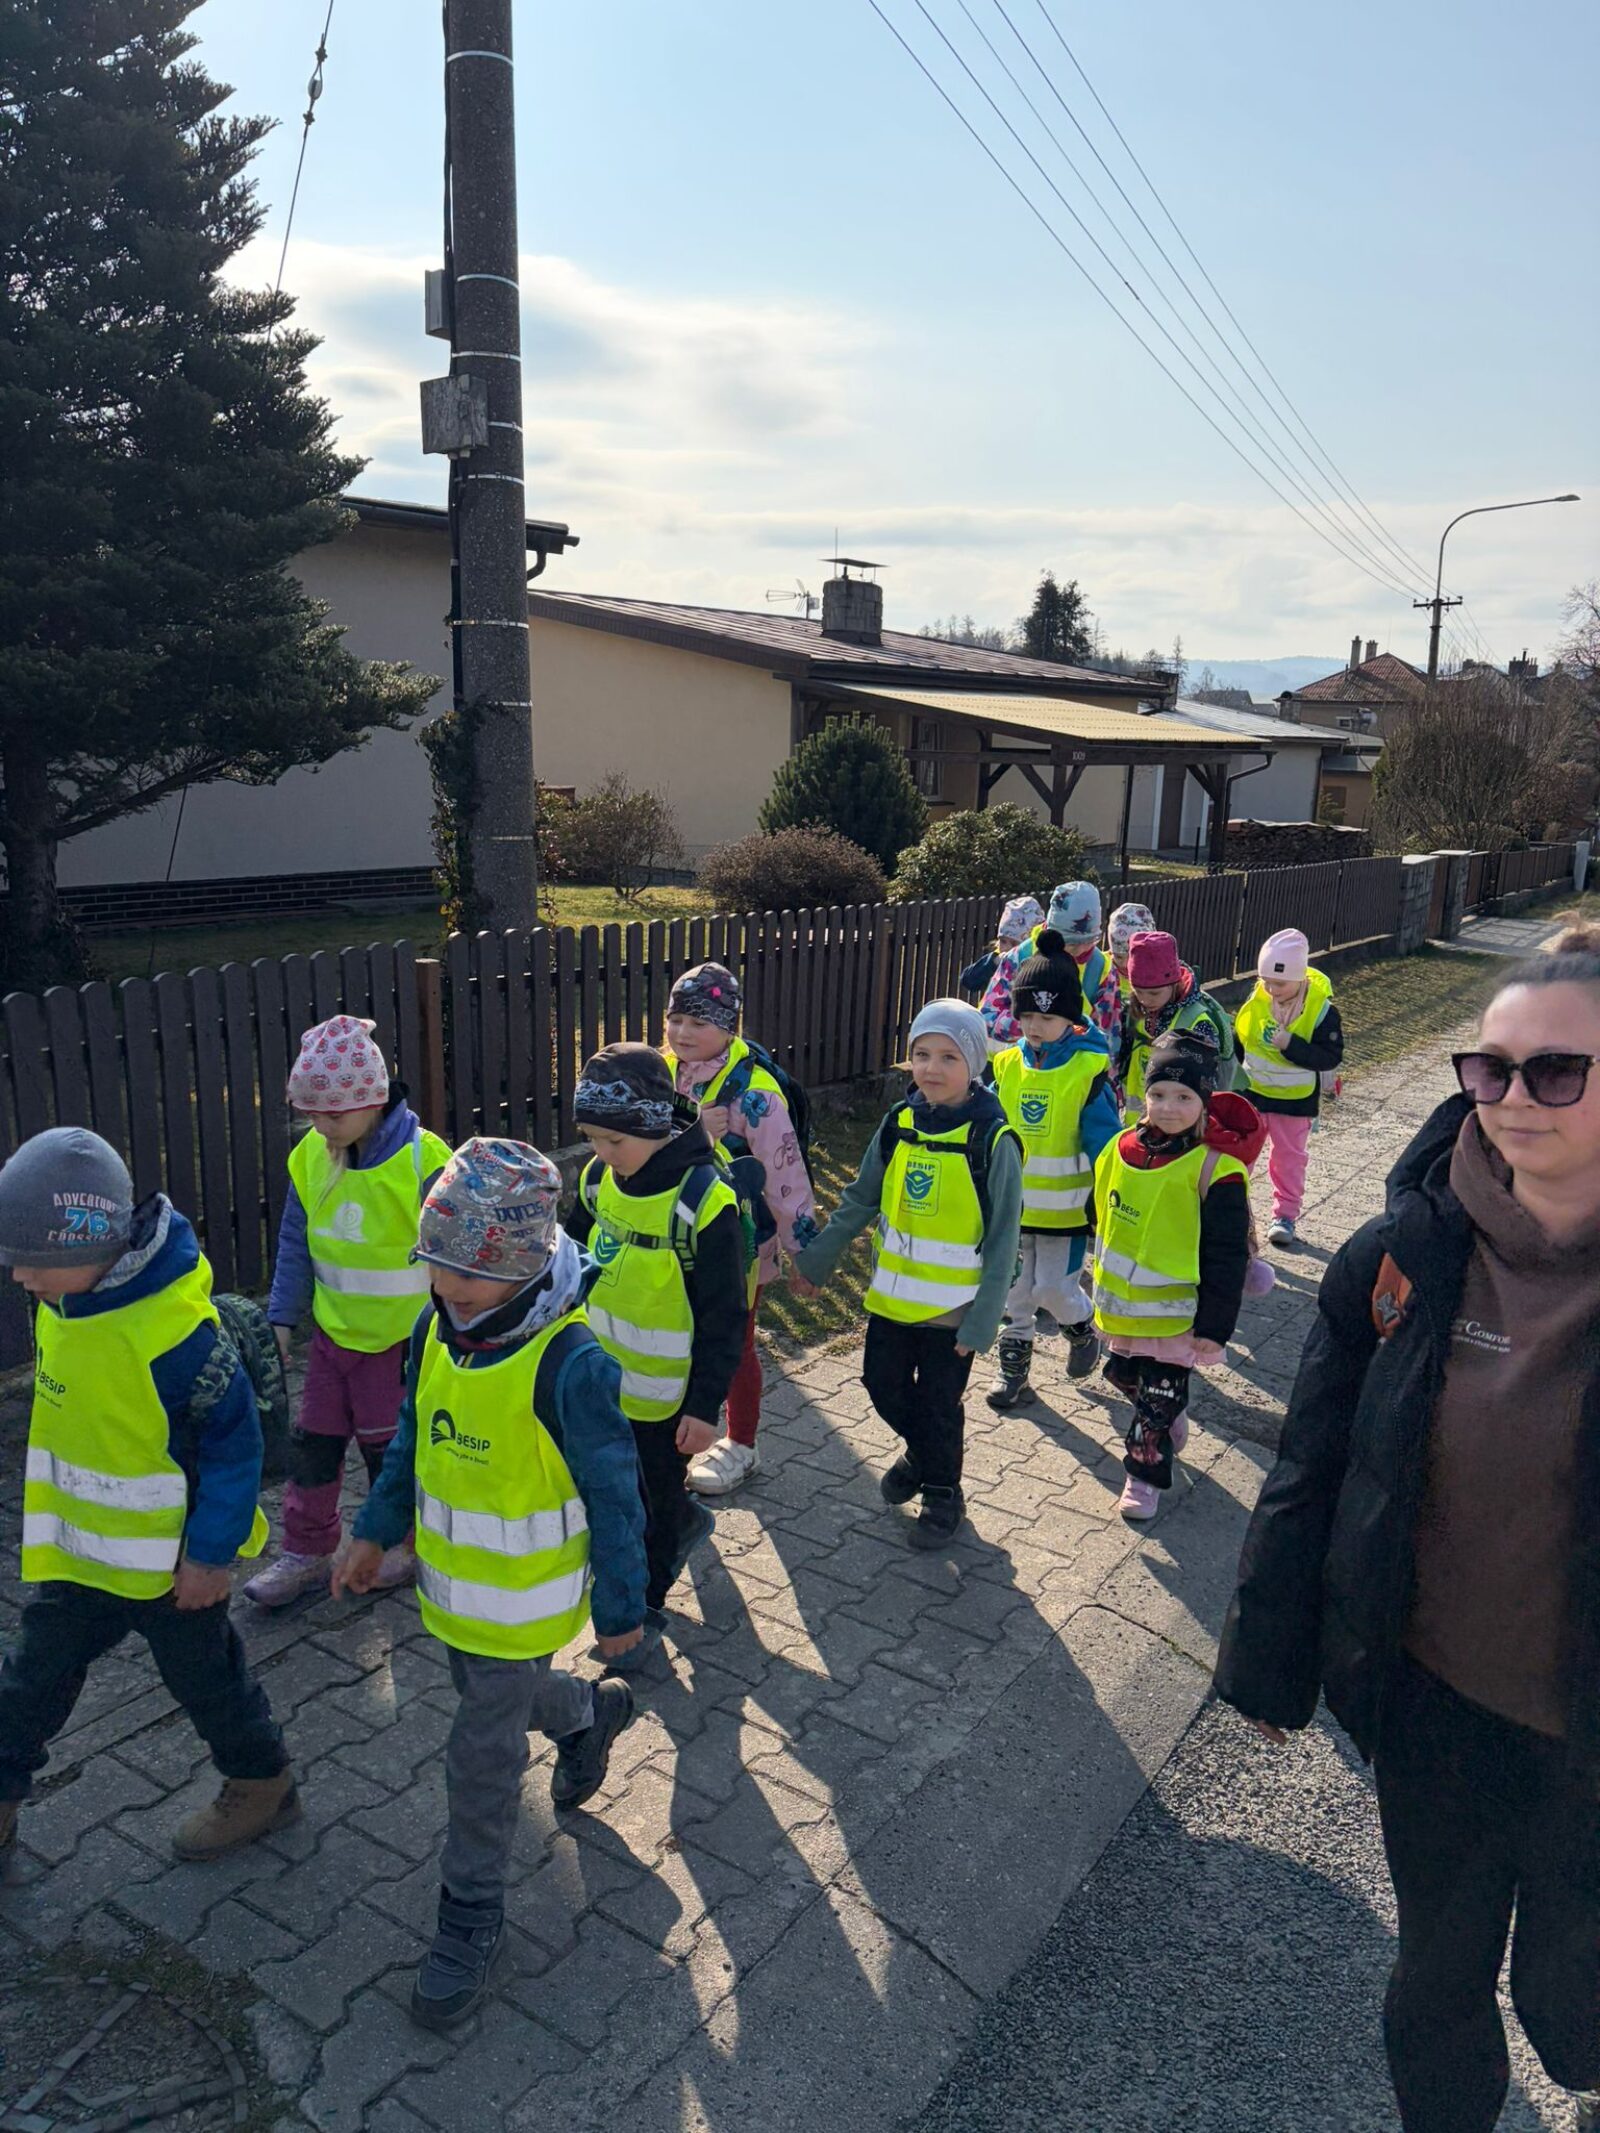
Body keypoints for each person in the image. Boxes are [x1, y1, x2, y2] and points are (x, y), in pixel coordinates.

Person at [1214, 925, 1600, 2133]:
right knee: (1435, 1980)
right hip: (1439, 1711)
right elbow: (1318, 1462)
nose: (1511, 1099)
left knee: (1573, 2005)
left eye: (1556, 1071)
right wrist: (1269, 1656)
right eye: (1490, 1068)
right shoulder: (1405, 1255)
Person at [334, 1137, 648, 2032]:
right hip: (453, 1596)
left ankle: (470, 1914)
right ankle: (587, 1715)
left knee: (481, 1755)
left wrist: (621, 1606)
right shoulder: (438, 1328)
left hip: (524, 1607)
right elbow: (412, 1438)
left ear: (522, 1266)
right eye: (435, 1266)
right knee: (491, 1702)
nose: (445, 1287)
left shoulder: (571, 1363)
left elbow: (615, 1493)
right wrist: (373, 1530)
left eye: (468, 1274)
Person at [0, 1128, 296, 1864]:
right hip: (79, 1562)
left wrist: (210, 1557)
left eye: (30, 1259)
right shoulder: (63, 1301)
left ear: (87, 1242)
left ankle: (262, 1783)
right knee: (30, 1681)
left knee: (208, 1684)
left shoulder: (179, 1337)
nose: (19, 1276)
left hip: (173, 1574)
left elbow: (236, 1451)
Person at [791, 999, 1023, 1547]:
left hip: (953, 1312)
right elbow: (859, 1199)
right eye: (922, 1054)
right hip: (892, 1299)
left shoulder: (993, 1141)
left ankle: (943, 1492)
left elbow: (1004, 1238)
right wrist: (818, 1259)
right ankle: (924, 1453)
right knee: (882, 1385)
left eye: (948, 1057)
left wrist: (984, 1319)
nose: (931, 1068)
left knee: (939, 1405)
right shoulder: (898, 1123)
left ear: (974, 1063)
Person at [248, 1015, 451, 1607]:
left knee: (390, 1453)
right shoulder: (312, 1157)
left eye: (333, 1115)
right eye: (310, 1114)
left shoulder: (423, 1159)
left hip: (400, 1347)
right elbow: (295, 1240)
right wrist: (282, 1319)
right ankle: (307, 1550)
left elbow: (454, 1248)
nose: (321, 1126)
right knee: (313, 1446)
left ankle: (403, 1543)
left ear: (374, 1099)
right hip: (333, 1341)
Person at [567, 1044, 747, 1654]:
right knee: (611, 1489)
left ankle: (647, 1602)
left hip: (666, 1399)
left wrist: (704, 1407)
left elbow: (725, 1318)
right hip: (600, 1381)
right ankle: (672, 1530)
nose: (601, 1152)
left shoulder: (704, 1204)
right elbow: (569, 1263)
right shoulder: (597, 1180)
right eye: (592, 1138)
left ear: (652, 1125)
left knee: (653, 1499)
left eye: (614, 1140)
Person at [662, 961, 817, 1496]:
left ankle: (742, 1444)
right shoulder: (659, 1072)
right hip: (667, 1240)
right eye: (676, 1019)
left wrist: (803, 1252)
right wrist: (692, 1128)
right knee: (674, 1335)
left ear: (729, 1027)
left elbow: (786, 1178)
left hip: (737, 1247)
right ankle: (675, 1427)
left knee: (733, 1342)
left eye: (698, 1022)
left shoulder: (755, 1093)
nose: (683, 1033)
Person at [1092, 1032, 1261, 1522]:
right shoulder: (1118, 1148)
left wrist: (1215, 1328)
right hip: (1123, 1309)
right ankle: (1168, 1413)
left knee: (1154, 1404)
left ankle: (1144, 1478)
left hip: (1179, 1318)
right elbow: (1097, 1206)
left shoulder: (1217, 1171)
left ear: (1205, 1101)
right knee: (1122, 1376)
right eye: (1159, 1094)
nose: (1169, 1107)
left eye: (1184, 1097)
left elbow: (1227, 1256)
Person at [987, 929, 1120, 1410]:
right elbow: (989, 1128)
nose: (1035, 1027)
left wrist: (1108, 1200)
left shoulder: (1088, 1073)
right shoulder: (1006, 1066)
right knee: (1015, 1292)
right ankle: (1014, 1376)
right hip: (1014, 1208)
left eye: (1047, 1017)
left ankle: (1082, 1329)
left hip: (1067, 1212)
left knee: (1054, 1289)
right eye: (1026, 1016)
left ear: (1070, 1018)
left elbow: (1107, 1145)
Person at [1234, 928, 1344, 1248]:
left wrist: (1291, 1044)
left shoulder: (1322, 1011)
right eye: (1265, 981)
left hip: (1294, 1103)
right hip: (1254, 1096)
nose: (1271, 989)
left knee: (1288, 1161)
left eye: (1279, 983)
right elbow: (1242, 1040)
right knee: (1239, 1155)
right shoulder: (1258, 998)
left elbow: (1329, 1056)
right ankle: (1232, 1207)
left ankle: (1284, 1215)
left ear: (1299, 977)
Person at [982, 880, 1121, 1053]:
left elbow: (1109, 1037)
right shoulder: (1020, 957)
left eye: (1088, 941)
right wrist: (1031, 1023)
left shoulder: (1101, 970)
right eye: (1070, 943)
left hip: (1074, 1065)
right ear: (1049, 932)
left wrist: (1070, 1030)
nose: (1079, 950)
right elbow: (988, 1016)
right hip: (1021, 1061)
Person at [1116, 929, 1237, 1121]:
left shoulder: (1197, 1022)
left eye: (1154, 993)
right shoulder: (1134, 1011)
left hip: (1180, 1122)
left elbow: (1207, 1086)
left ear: (1173, 983)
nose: (1145, 1000)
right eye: (1138, 991)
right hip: (1138, 1121)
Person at [958, 895, 1044, 1002]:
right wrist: (993, 963)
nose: (1007, 948)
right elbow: (968, 980)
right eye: (1003, 941)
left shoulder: (1039, 962)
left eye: (1014, 944)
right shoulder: (997, 957)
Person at [1105, 901, 1158, 997]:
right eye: (1118, 957)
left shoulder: (1157, 973)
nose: (1125, 964)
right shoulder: (1100, 966)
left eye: (1132, 957)